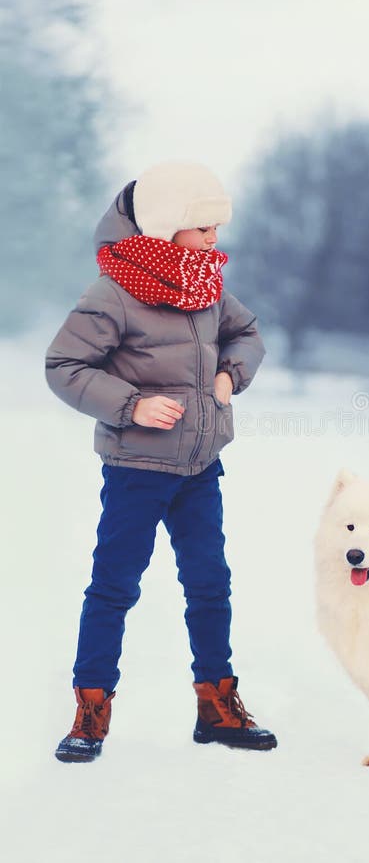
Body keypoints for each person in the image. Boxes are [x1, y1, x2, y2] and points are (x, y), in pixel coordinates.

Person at [46, 160, 277, 762]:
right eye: (202, 228)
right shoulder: (113, 292)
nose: (213, 240)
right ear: (166, 226)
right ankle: (90, 712)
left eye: (216, 229)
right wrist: (131, 405)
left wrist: (231, 373)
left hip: (200, 467)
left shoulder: (208, 287)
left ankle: (216, 705)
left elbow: (247, 335)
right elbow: (64, 367)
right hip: (135, 472)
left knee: (209, 584)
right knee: (114, 587)